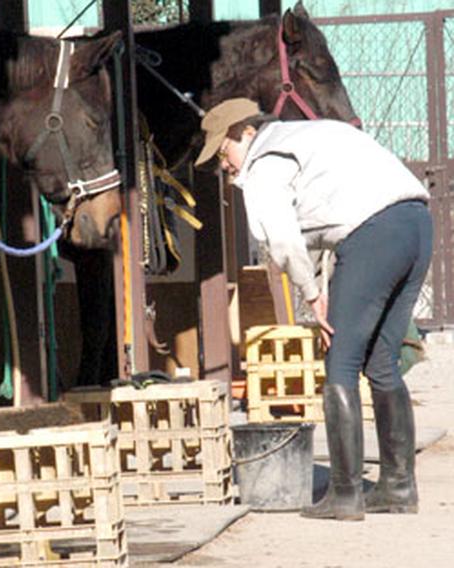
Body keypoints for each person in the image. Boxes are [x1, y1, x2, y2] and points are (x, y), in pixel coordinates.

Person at [195, 98, 432, 521]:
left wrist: (311, 294)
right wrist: (328, 288)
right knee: (381, 361)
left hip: (374, 235)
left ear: (245, 133)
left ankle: (345, 494)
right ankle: (398, 487)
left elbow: (284, 241)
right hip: (415, 225)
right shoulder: (311, 133)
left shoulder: (266, 160)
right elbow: (338, 226)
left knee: (340, 361)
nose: (224, 165)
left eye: (223, 152)